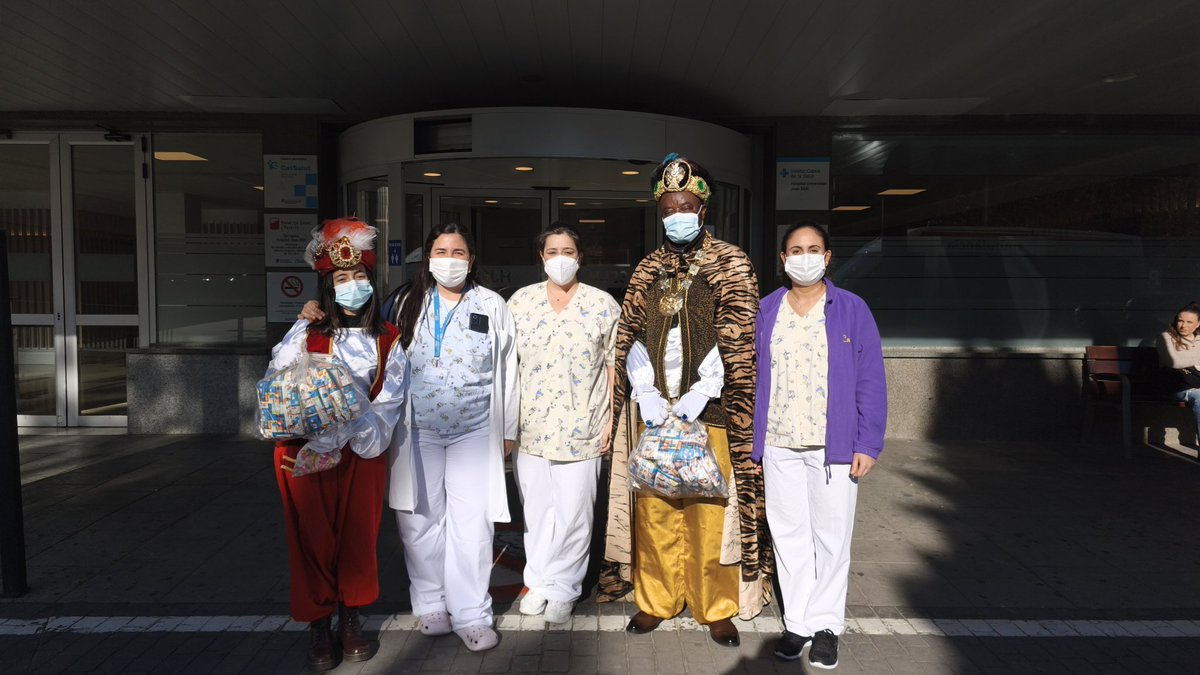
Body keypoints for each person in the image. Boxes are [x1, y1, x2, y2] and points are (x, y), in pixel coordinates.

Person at [608, 154, 770, 647]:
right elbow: (630, 332)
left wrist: (703, 391)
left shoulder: (731, 261)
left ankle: (713, 605)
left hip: (712, 411)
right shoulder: (649, 266)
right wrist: (645, 391)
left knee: (708, 508)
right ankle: (656, 599)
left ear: (703, 206)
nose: (676, 213)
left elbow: (739, 337)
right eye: (668, 207)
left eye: (686, 205)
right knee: (655, 505)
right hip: (654, 412)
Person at [268, 217, 408, 671]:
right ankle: (317, 622)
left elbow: (390, 400)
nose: (352, 285)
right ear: (327, 286)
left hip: (360, 453)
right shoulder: (307, 333)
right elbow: (278, 382)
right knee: (310, 539)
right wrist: (300, 329)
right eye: (342, 279)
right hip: (304, 454)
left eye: (360, 276)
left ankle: (351, 615)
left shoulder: (387, 339)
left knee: (358, 537)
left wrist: (354, 429)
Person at [753, 222, 887, 670]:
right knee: (789, 537)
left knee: (831, 538)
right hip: (779, 443)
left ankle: (827, 626)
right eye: (795, 249)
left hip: (835, 446)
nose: (804, 257)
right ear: (783, 259)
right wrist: (754, 445)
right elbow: (752, 379)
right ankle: (798, 622)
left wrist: (868, 441)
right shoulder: (766, 310)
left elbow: (871, 380)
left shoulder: (851, 309)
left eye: (813, 249)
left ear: (828, 258)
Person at [507, 225, 620, 624]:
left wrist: (611, 418)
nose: (560, 258)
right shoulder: (520, 303)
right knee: (537, 510)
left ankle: (565, 587)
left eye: (567, 250)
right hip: (531, 425)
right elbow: (507, 366)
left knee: (575, 511)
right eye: (552, 250)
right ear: (541, 257)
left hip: (584, 424)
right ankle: (537, 580)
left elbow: (612, 365)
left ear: (580, 256)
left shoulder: (602, 304)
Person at [1156, 301, 1200, 444]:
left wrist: (1187, 359)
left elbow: (1180, 361)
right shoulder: (1166, 337)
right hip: (1176, 386)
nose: (1183, 325)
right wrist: (1196, 361)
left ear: (1198, 324)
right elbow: (1173, 362)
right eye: (1180, 321)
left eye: (1189, 322)